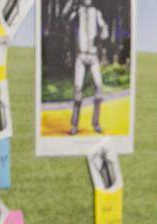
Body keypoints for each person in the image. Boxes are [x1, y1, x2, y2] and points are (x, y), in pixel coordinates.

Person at [63, 0, 109, 135]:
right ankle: (74, 125)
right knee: (77, 92)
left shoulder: (96, 13)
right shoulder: (77, 12)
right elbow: (65, 18)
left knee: (99, 90)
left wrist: (102, 33)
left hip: (93, 56)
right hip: (81, 56)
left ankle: (96, 123)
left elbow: (105, 29)